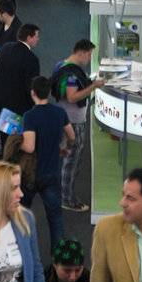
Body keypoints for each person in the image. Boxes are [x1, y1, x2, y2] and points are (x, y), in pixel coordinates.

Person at [20, 79, 74, 250]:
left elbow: (29, 147)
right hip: (51, 172)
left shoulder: (30, 116)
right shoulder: (59, 112)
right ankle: (58, 259)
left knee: (21, 215)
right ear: (49, 92)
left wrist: (16, 141)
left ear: (32, 93)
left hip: (31, 174)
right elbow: (71, 136)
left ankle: (22, 252)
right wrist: (65, 148)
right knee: (55, 218)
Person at [51, 40, 100, 214]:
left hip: (66, 118)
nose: (89, 58)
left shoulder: (61, 65)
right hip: (73, 122)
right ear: (81, 53)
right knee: (71, 161)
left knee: (66, 158)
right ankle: (67, 199)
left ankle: (63, 194)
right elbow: (72, 97)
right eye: (89, 55)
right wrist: (94, 86)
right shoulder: (72, 75)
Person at [0, 22, 41, 137]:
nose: (38, 39)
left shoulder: (5, 48)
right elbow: (31, 87)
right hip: (17, 111)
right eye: (36, 36)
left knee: (5, 141)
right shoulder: (32, 59)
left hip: (0, 105)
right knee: (16, 143)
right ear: (29, 37)